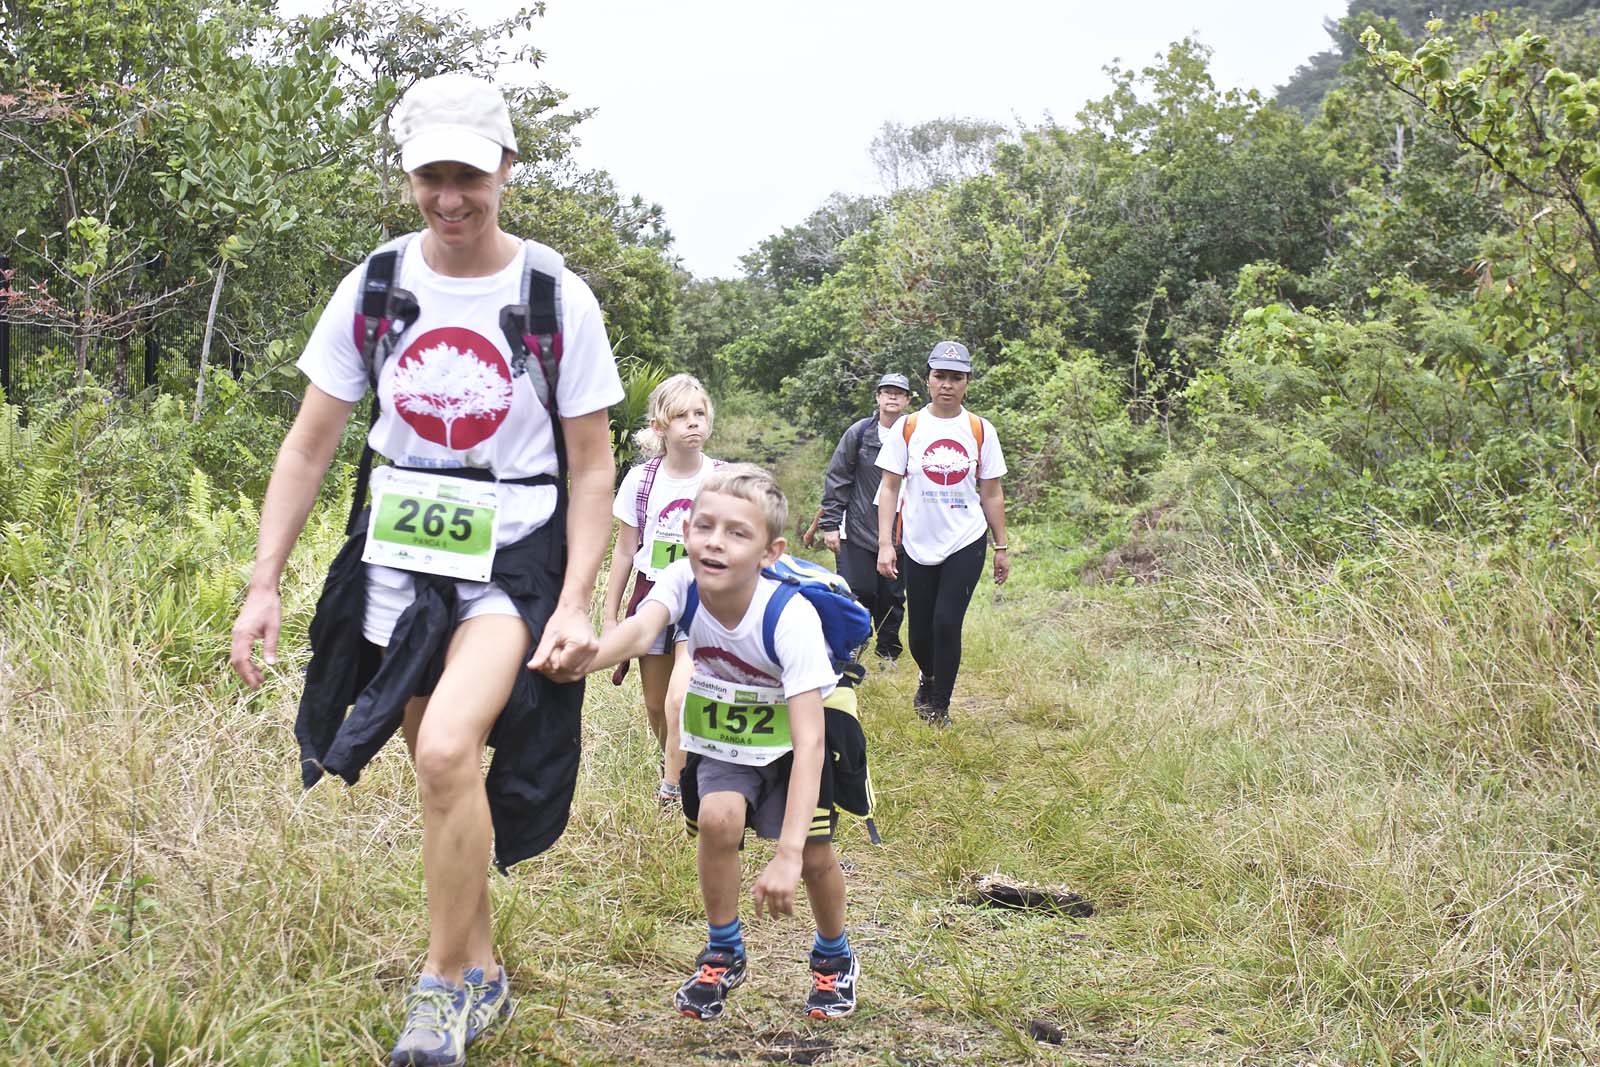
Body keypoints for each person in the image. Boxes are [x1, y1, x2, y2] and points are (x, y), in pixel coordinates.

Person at [227, 72, 622, 1067]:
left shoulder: (551, 296)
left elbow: (590, 462)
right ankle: (478, 959)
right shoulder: (377, 286)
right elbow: (309, 445)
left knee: (448, 749)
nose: (451, 198)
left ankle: (440, 986)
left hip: (512, 553)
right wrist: (264, 581)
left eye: (469, 176)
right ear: (409, 175)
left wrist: (576, 597)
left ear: (506, 171)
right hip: (399, 554)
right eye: (431, 176)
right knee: (438, 777)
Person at [533, 464, 861, 1022]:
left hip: (793, 741)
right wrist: (591, 657)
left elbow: (809, 742)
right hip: (726, 734)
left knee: (810, 854)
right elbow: (643, 628)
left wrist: (782, 853)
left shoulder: (791, 618)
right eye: (703, 526)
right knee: (717, 820)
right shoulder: (682, 580)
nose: (715, 541)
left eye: (738, 533)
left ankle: (834, 956)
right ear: (685, 532)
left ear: (770, 552)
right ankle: (723, 949)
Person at [874, 342, 1009, 727]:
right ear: (928, 380)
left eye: (956, 378)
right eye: (940, 376)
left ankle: (940, 707)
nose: (947, 385)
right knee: (919, 632)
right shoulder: (908, 426)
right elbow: (889, 487)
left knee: (947, 622)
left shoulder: (980, 430)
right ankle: (928, 676)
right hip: (917, 540)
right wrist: (886, 544)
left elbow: (992, 491)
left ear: (967, 382)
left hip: (966, 538)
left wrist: (1001, 546)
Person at [601, 373, 719, 804]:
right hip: (651, 595)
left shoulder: (721, 478)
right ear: (659, 426)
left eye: (700, 414)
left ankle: (676, 785)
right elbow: (625, 551)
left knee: (680, 695)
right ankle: (674, 759)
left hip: (701, 595)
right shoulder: (641, 481)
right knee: (655, 702)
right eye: (682, 416)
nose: (693, 423)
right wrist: (611, 615)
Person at [816, 372, 911, 664]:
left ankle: (888, 653)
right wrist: (830, 523)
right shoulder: (859, 434)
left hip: (901, 531)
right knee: (858, 591)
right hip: (857, 527)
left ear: (907, 400)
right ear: (878, 397)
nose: (892, 397)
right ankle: (854, 646)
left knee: (892, 596)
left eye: (899, 392)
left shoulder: (915, 433)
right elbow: (838, 478)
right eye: (887, 392)